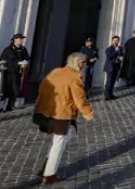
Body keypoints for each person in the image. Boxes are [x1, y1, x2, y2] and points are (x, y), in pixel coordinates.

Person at [33, 52, 93, 185]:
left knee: (60, 140)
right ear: (78, 63)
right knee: (59, 143)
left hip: (48, 111)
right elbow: (80, 99)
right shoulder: (75, 77)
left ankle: (47, 167)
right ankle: (49, 174)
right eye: (84, 62)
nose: (85, 65)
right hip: (62, 114)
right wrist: (88, 113)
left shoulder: (55, 72)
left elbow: (42, 88)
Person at [0, 33, 30, 112]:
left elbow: (26, 58)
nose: (21, 40)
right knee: (6, 89)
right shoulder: (9, 49)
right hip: (9, 73)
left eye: (22, 39)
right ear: (15, 40)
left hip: (18, 73)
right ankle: (1, 106)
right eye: (20, 39)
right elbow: (10, 59)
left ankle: (10, 106)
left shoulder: (23, 49)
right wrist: (19, 63)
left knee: (15, 90)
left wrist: (23, 66)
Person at [103, 36, 123, 101]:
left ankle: (111, 95)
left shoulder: (120, 48)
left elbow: (121, 55)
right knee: (109, 81)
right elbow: (109, 56)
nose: (116, 41)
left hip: (116, 66)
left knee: (113, 81)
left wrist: (121, 57)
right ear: (112, 41)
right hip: (110, 67)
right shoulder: (109, 49)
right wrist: (115, 51)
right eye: (115, 40)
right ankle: (107, 96)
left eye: (117, 40)